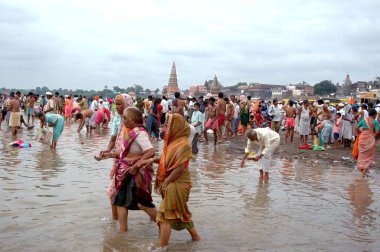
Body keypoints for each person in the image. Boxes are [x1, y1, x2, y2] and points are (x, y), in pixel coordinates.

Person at [141, 114, 200, 249]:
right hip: (172, 181)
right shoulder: (173, 142)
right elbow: (165, 159)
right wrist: (151, 160)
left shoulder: (184, 145)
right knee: (182, 212)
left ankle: (163, 247)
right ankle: (196, 238)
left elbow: (179, 168)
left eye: (168, 125)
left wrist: (166, 182)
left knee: (164, 216)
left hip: (178, 183)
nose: (165, 128)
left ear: (176, 127)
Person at [106, 107, 157, 232]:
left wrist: (136, 165)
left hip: (136, 173)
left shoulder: (139, 133)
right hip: (125, 171)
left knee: (143, 203)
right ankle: (123, 232)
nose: (123, 120)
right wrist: (108, 154)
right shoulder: (130, 132)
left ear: (133, 119)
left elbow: (150, 151)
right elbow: (125, 154)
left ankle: (162, 223)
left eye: (125, 118)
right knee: (120, 200)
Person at [96, 94, 134, 220]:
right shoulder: (117, 119)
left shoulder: (133, 121)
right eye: (115, 104)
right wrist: (106, 150)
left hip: (131, 161)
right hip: (118, 160)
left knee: (139, 198)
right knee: (114, 193)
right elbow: (113, 139)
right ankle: (115, 221)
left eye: (119, 104)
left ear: (127, 104)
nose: (116, 107)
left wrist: (111, 154)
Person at [355, 109, 379, 177]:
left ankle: (362, 172)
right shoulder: (375, 122)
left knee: (362, 156)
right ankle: (363, 173)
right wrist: (373, 136)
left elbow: (356, 128)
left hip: (362, 139)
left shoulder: (363, 120)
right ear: (374, 115)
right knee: (368, 157)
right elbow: (377, 132)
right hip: (370, 140)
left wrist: (361, 133)